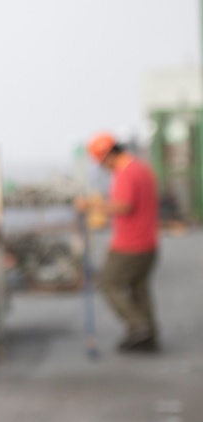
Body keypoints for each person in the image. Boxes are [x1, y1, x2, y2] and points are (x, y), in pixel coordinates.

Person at [75, 132, 160, 352]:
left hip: (130, 244)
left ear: (108, 156)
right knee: (139, 289)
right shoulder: (142, 168)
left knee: (108, 282)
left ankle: (138, 326)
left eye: (101, 161)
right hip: (149, 242)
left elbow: (124, 205)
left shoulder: (126, 173)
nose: (102, 166)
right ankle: (149, 338)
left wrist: (92, 206)